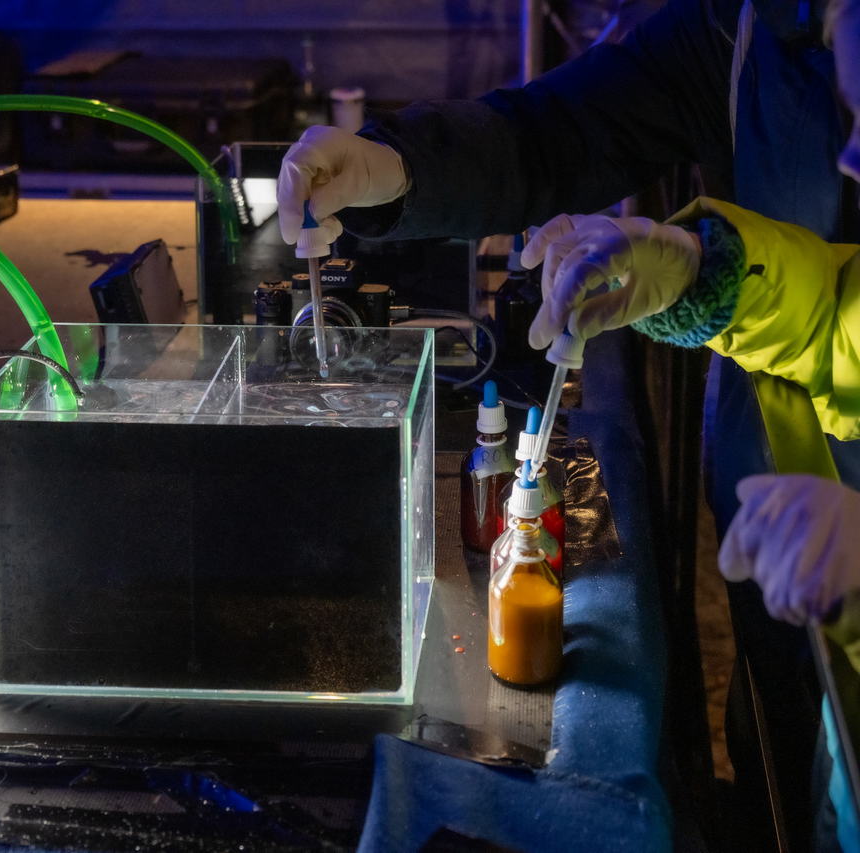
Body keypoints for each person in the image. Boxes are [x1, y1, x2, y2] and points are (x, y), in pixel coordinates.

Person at [276, 0, 856, 844]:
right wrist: (395, 169)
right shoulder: (748, 26)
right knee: (790, 769)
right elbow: (562, 128)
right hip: (779, 537)